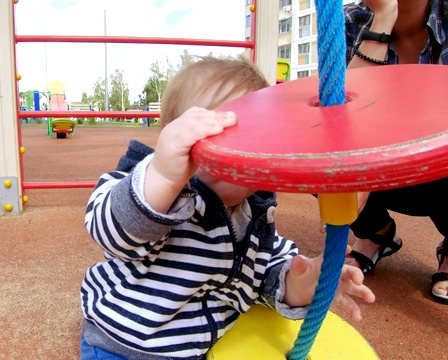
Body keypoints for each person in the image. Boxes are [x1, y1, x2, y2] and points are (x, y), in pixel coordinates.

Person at [79, 57, 375, 360]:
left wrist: (300, 282)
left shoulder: (255, 215)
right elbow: (113, 231)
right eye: (217, 135)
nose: (238, 154)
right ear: (174, 140)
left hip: (201, 348)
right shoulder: (151, 193)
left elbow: (266, 275)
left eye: (255, 139)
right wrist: (164, 176)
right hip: (123, 344)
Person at [343, 0, 448, 304]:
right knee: (320, 151)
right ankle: (376, 230)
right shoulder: (350, 20)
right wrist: (383, 17)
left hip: (440, 163)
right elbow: (339, 109)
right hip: (382, 163)